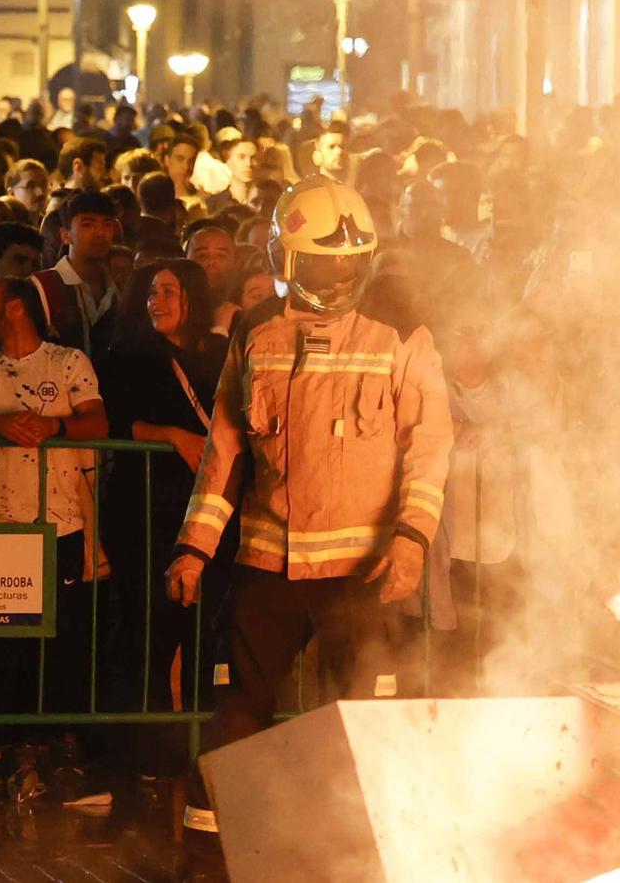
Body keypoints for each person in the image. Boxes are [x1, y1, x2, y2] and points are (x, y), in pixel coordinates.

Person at [165, 176, 453, 842]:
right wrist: (193, 548)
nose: (340, 273)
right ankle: (210, 848)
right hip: (269, 568)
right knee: (235, 711)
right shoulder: (256, 331)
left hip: (366, 571)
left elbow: (430, 448)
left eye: (351, 261)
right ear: (284, 259)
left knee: (369, 715)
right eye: (326, 261)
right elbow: (226, 452)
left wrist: (410, 540)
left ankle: (369, 846)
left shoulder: (401, 335)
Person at [0, 275, 108, 802]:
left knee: (60, 639)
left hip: (59, 520)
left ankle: (54, 745)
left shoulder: (68, 363)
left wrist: (53, 429)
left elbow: (97, 421)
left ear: (14, 307)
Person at [97, 260, 227, 734]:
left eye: (171, 291)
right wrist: (171, 434)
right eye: (152, 292)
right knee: (148, 623)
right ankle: (148, 740)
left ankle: (201, 736)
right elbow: (111, 420)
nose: (158, 301)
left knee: (203, 628)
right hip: (145, 506)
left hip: (205, 507)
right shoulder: (130, 354)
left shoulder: (219, 354)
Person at [34, 189, 119, 356]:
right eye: (88, 224)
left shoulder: (120, 287)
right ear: (65, 235)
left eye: (107, 224)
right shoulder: (42, 287)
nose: (99, 232)